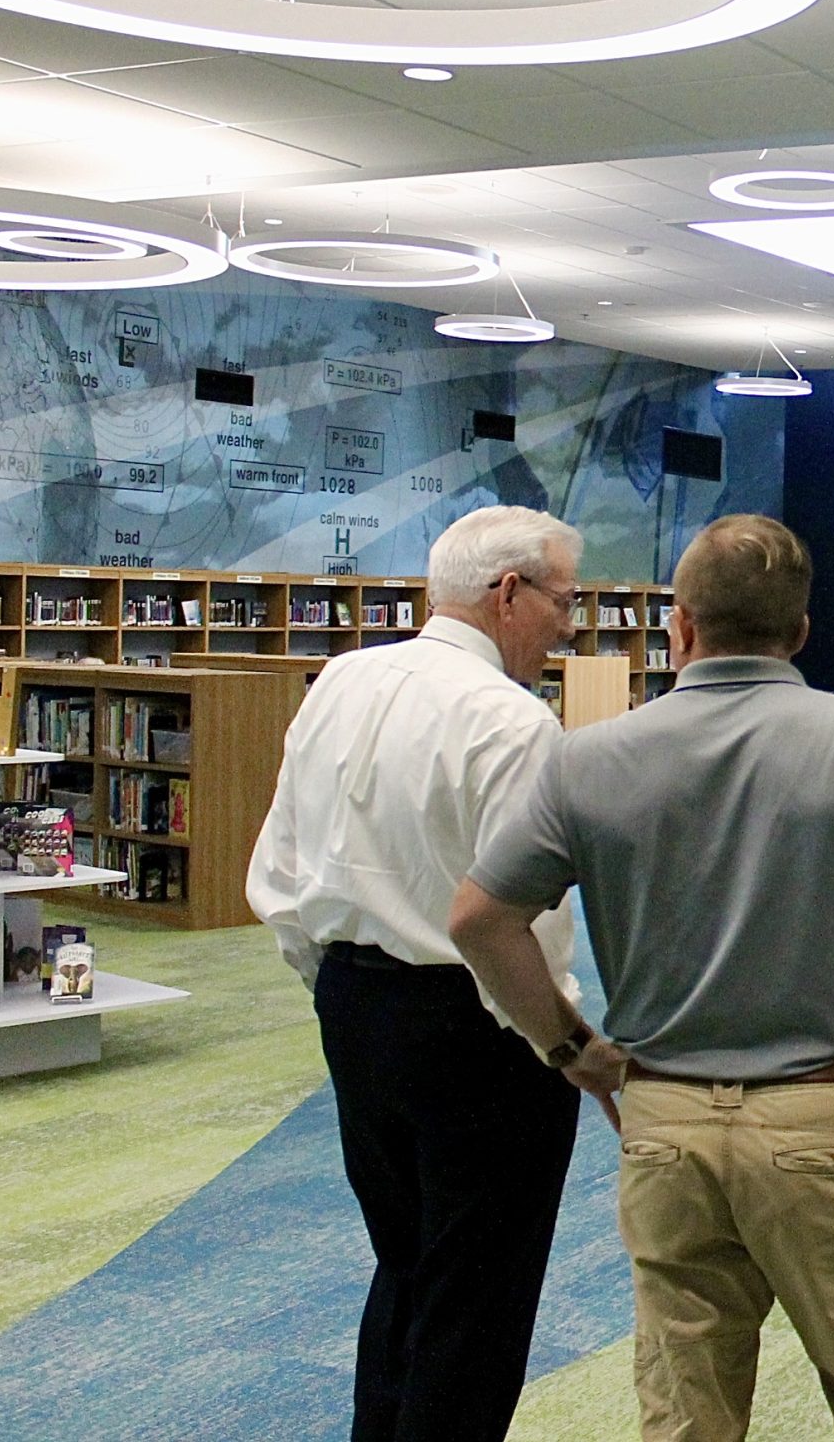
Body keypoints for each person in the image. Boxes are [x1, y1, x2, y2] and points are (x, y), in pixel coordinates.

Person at [451, 513, 834, 1441]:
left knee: (687, 1417)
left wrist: (572, 1050)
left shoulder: (586, 757)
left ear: (680, 626)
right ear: (800, 631)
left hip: (664, 1127)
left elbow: (480, 919)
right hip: (831, 1117)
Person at [246, 506, 594, 1442]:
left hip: (354, 1006)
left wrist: (336, 981)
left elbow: (280, 864)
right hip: (481, 1029)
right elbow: (525, 925)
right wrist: (565, 1045)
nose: (571, 627)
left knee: (403, 1266)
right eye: (565, 601)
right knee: (477, 1302)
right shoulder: (514, 722)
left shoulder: (342, 680)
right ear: (509, 593)